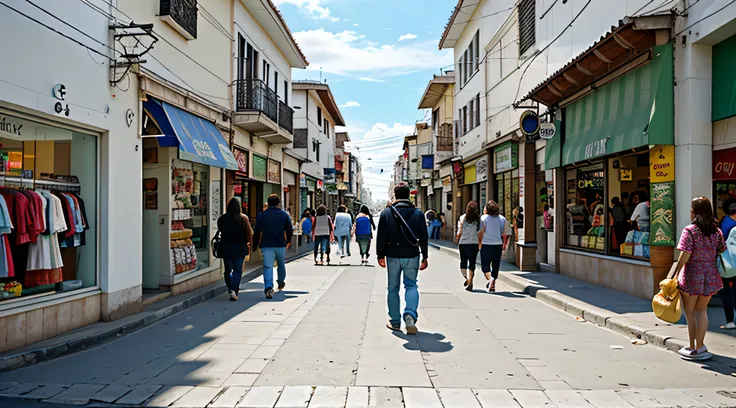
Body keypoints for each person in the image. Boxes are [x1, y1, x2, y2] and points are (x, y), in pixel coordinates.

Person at [673, 197, 726, 360]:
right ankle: (701, 346)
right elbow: (722, 249)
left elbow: (685, 255)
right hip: (710, 275)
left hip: (691, 276)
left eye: (691, 210)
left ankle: (692, 347)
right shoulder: (716, 231)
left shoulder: (690, 230)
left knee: (689, 313)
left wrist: (675, 273)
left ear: (695, 213)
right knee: (702, 310)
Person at [377, 184, 429, 334]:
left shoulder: (386, 213)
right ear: (409, 196)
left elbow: (381, 236)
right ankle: (410, 314)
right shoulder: (418, 214)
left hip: (392, 256)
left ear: (395, 195)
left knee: (392, 288)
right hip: (412, 255)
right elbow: (424, 237)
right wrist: (425, 256)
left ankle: (394, 321)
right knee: (411, 285)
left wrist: (380, 255)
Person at [253, 194, 293, 299]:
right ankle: (280, 281)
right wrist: (288, 241)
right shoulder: (284, 215)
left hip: (266, 245)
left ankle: (268, 287)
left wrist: (255, 244)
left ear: (268, 202)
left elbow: (256, 231)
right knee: (281, 264)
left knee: (268, 266)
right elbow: (289, 229)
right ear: (278, 203)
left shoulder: (261, 215)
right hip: (280, 244)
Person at [217, 198, 253, 301]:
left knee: (228, 270)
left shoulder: (222, 219)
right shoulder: (243, 218)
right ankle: (234, 289)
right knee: (237, 270)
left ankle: (230, 287)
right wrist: (249, 243)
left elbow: (220, 231)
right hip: (239, 247)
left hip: (226, 247)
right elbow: (249, 232)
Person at [478, 200, 509, 293]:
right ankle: (492, 282)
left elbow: (480, 232)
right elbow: (505, 233)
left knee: (485, 266)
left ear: (487, 209)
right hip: (498, 244)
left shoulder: (483, 218)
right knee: (496, 265)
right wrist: (504, 244)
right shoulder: (502, 219)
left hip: (486, 244)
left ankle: (490, 281)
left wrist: (479, 243)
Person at [456, 201, 481, 291]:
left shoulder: (462, 217)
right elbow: (480, 231)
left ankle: (467, 279)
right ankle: (470, 281)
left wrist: (457, 238)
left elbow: (460, 231)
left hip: (463, 243)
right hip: (474, 243)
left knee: (463, 263)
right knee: (472, 263)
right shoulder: (479, 219)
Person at [718, 203, 736, 330]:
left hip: (724, 263)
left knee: (726, 292)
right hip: (733, 262)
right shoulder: (733, 226)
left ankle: (730, 321)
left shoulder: (723, 222)